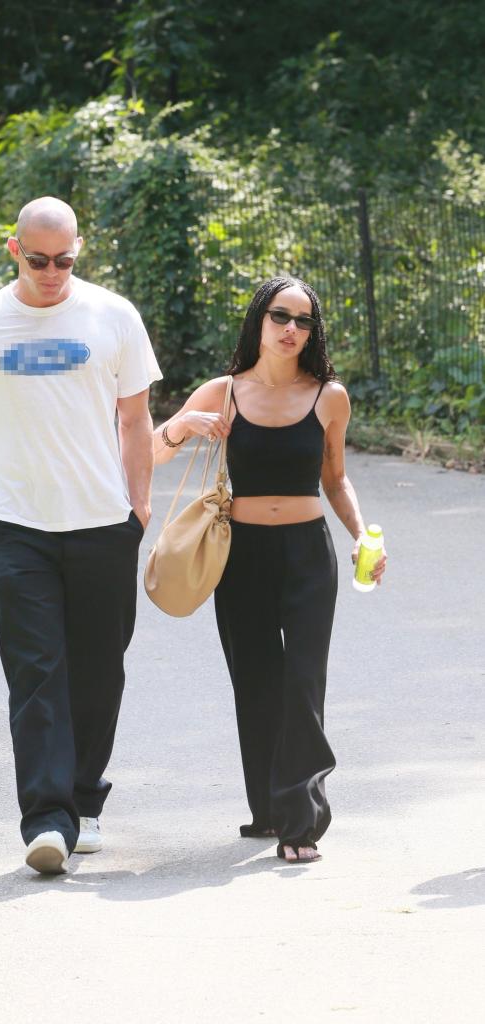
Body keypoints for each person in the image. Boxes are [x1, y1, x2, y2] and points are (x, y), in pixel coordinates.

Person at [0, 196, 162, 874]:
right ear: (13, 250)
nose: (52, 272)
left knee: (99, 673)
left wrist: (138, 507)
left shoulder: (113, 317)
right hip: (17, 525)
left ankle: (85, 799)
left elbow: (135, 419)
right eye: (38, 259)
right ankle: (46, 820)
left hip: (103, 524)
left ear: (79, 251)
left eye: (65, 260)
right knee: (35, 673)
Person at [153, 276, 386, 863]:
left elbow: (335, 478)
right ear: (259, 319)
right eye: (280, 316)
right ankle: (268, 808)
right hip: (241, 555)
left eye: (303, 321)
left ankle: (300, 821)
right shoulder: (223, 390)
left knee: (303, 683)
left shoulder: (329, 396)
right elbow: (151, 451)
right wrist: (185, 426)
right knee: (256, 683)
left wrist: (362, 535)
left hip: (309, 554)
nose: (291, 329)